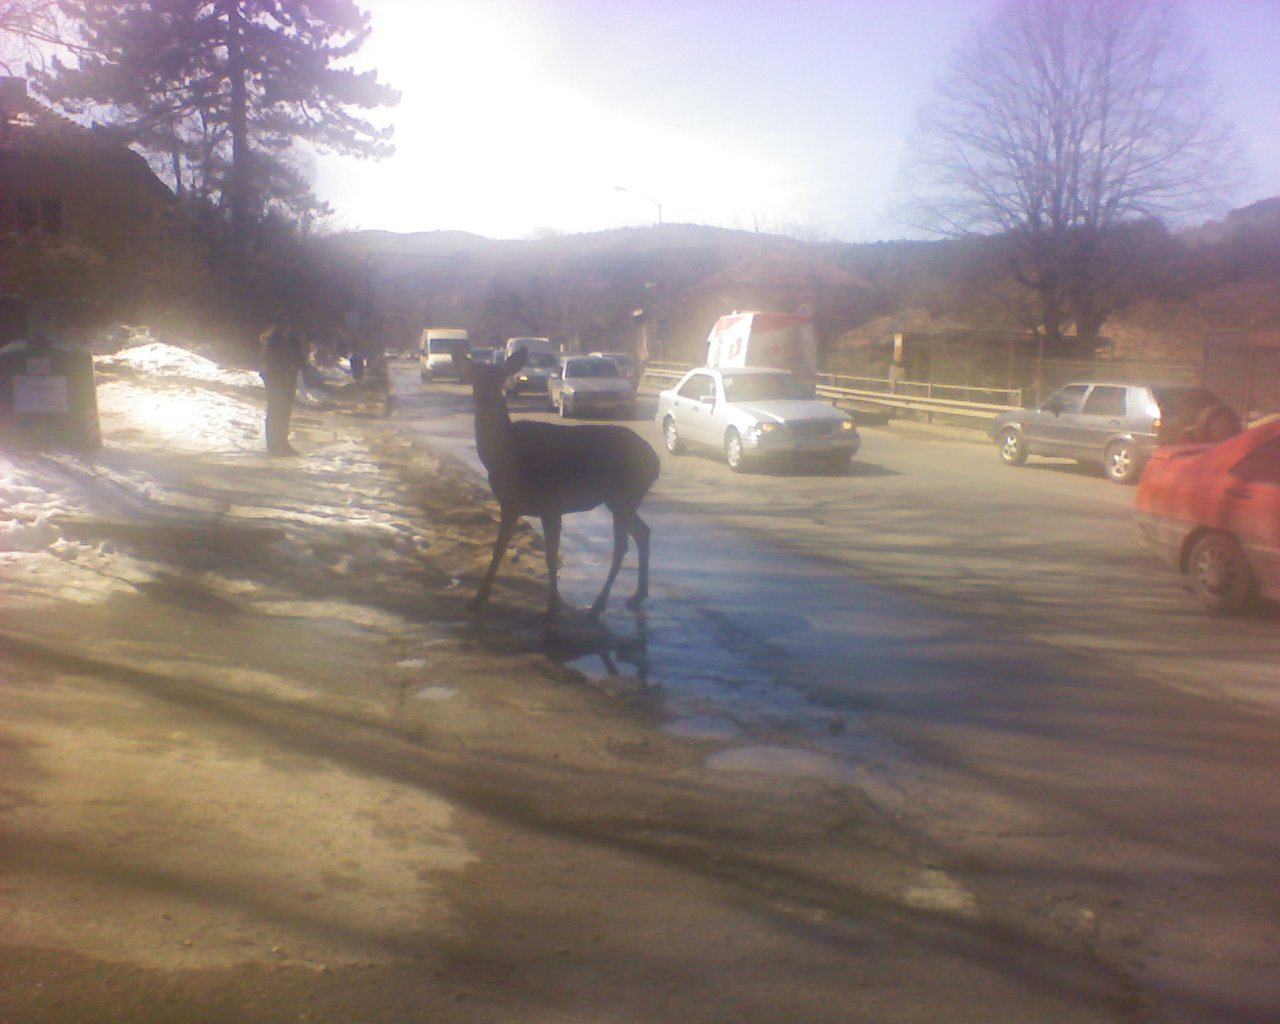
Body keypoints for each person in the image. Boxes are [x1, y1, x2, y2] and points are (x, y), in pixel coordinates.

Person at [258, 314, 308, 455]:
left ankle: (283, 443)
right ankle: (273, 445)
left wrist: (300, 367)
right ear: (278, 325)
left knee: (285, 411)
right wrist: (284, 369)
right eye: (285, 324)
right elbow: (271, 359)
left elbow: (298, 357)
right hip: (275, 379)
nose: (288, 327)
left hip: (289, 379)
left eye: (289, 324)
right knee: (276, 410)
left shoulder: (292, 340)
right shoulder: (272, 340)